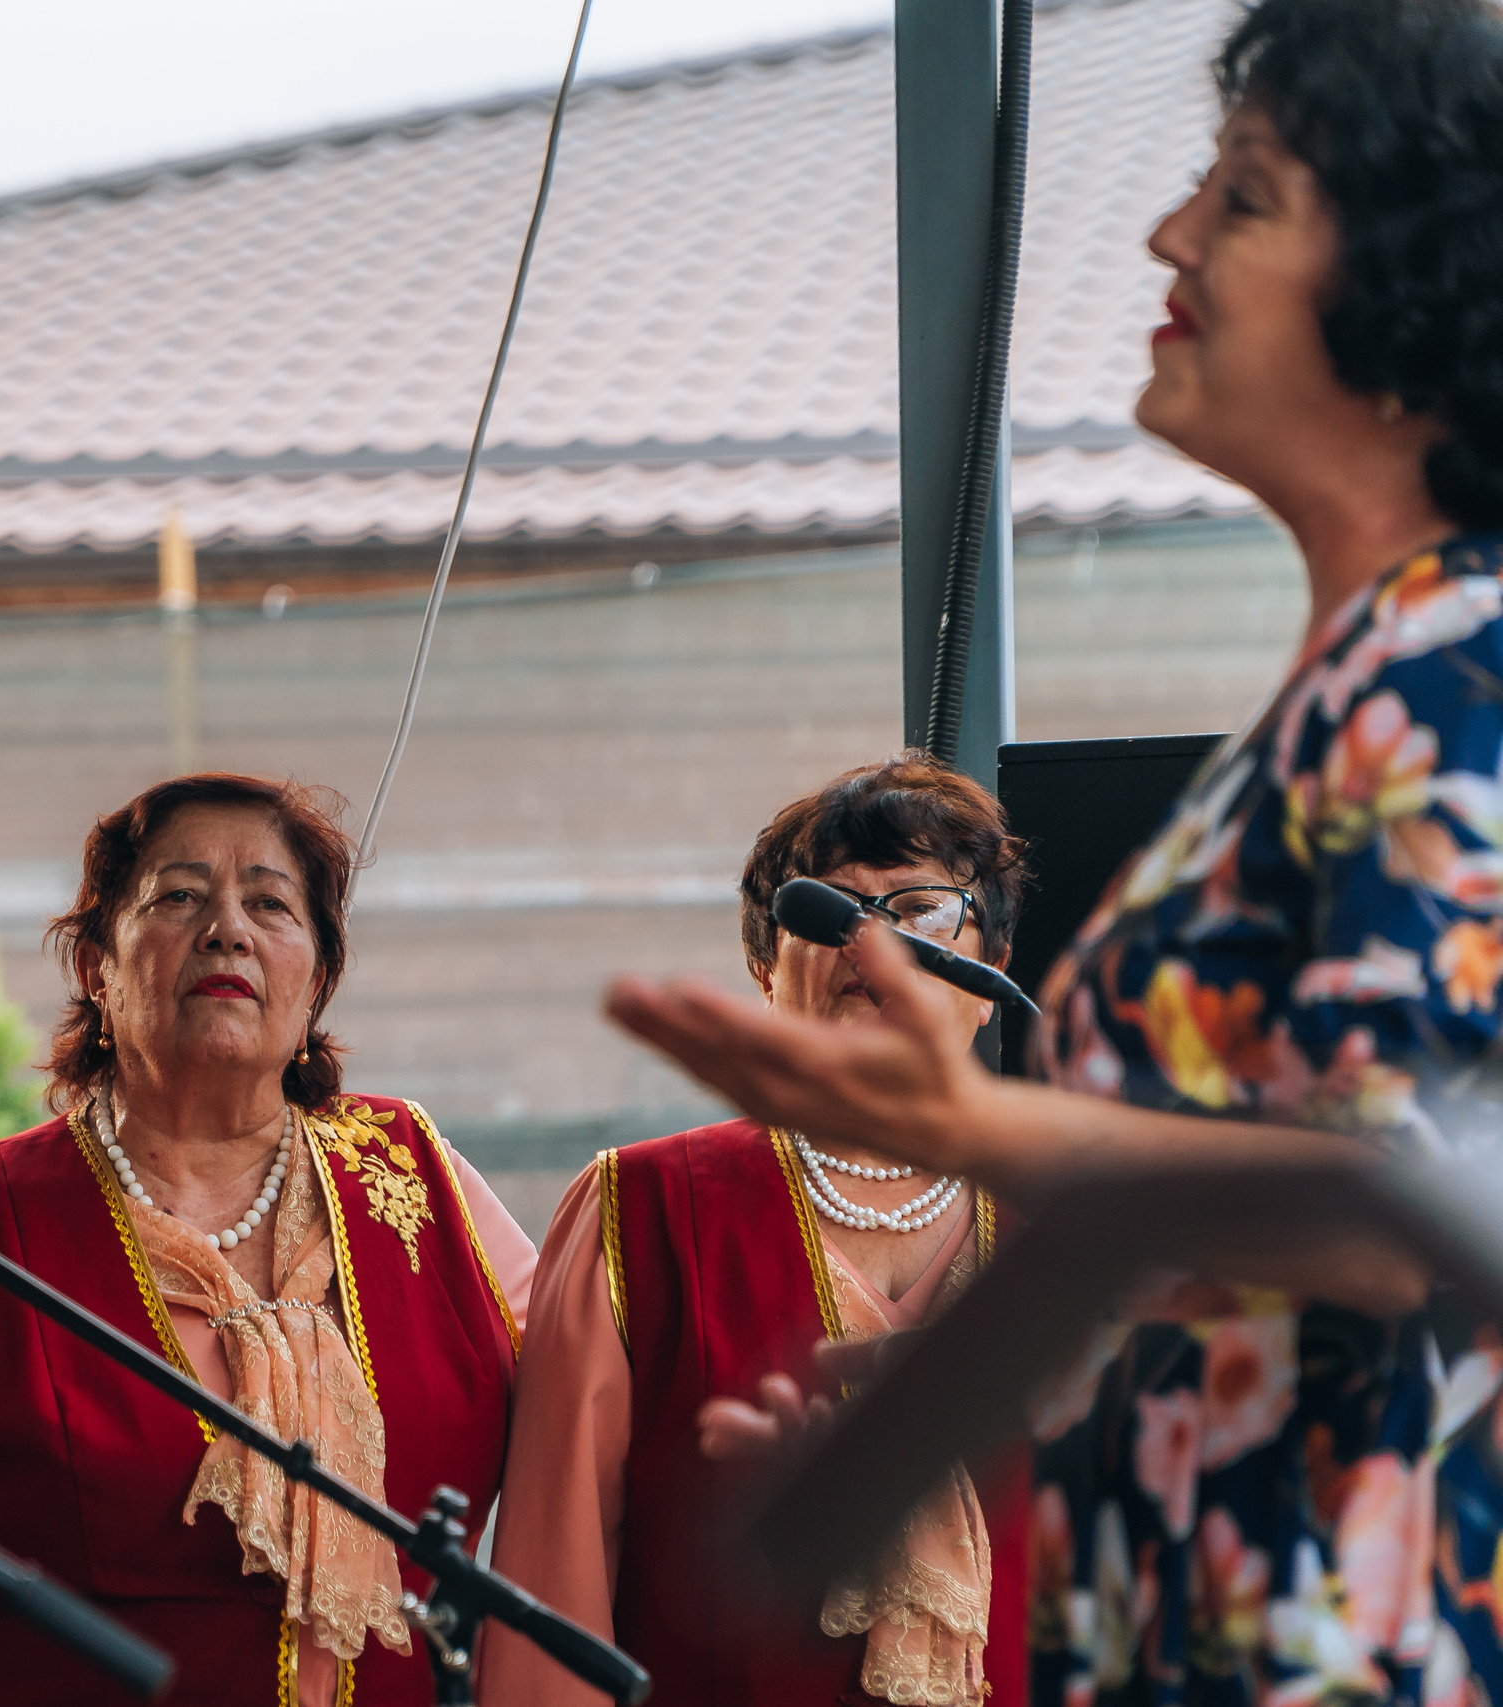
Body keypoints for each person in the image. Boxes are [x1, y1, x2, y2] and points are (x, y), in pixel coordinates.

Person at [602, 1, 1503, 1700]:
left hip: (1364, 1634)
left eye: (1243, 196)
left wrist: (972, 1122)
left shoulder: (1453, 665)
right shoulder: (1343, 695)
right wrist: (885, 1442)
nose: (1170, 231)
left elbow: (1422, 1198)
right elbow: (1197, 1211)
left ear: (1416, 280)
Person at [0, 773, 537, 1707]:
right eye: (179, 896)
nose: (228, 929)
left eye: (270, 902)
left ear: (318, 975)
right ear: (96, 966)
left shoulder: (420, 1178)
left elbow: (590, 1450)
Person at [482, 754, 1031, 1707]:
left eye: (922, 908)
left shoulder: (1075, 1216)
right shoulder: (639, 1210)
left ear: (991, 977)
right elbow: (552, 1607)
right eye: (828, 908)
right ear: (764, 972)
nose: (872, 940)